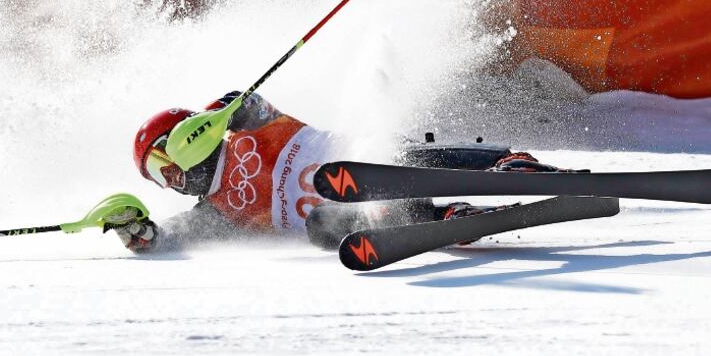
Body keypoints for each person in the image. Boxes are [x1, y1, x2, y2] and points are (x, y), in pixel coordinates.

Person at [111, 91, 569, 253]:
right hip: (354, 212)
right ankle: (447, 218)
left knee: (388, 155)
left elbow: (243, 101)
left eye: (162, 165)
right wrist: (141, 234)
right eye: (155, 177)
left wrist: (217, 116)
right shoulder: (218, 210)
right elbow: (171, 237)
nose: (167, 181)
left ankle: (502, 161)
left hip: (368, 160)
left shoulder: (246, 123)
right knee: (320, 225)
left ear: (184, 141)